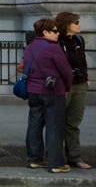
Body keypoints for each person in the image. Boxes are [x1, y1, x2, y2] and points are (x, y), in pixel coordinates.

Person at [21, 18, 73, 173]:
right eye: (55, 31)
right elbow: (66, 72)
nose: (58, 34)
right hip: (52, 91)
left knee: (34, 125)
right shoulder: (53, 48)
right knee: (55, 127)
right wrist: (67, 88)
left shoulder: (30, 47)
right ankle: (56, 163)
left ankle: (34, 159)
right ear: (45, 32)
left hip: (33, 91)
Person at [54, 12, 91, 169]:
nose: (79, 24)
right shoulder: (57, 40)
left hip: (80, 84)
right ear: (67, 23)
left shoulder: (78, 39)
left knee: (73, 122)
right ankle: (55, 156)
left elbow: (82, 60)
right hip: (63, 86)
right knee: (57, 122)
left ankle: (74, 157)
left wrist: (86, 77)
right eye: (76, 22)